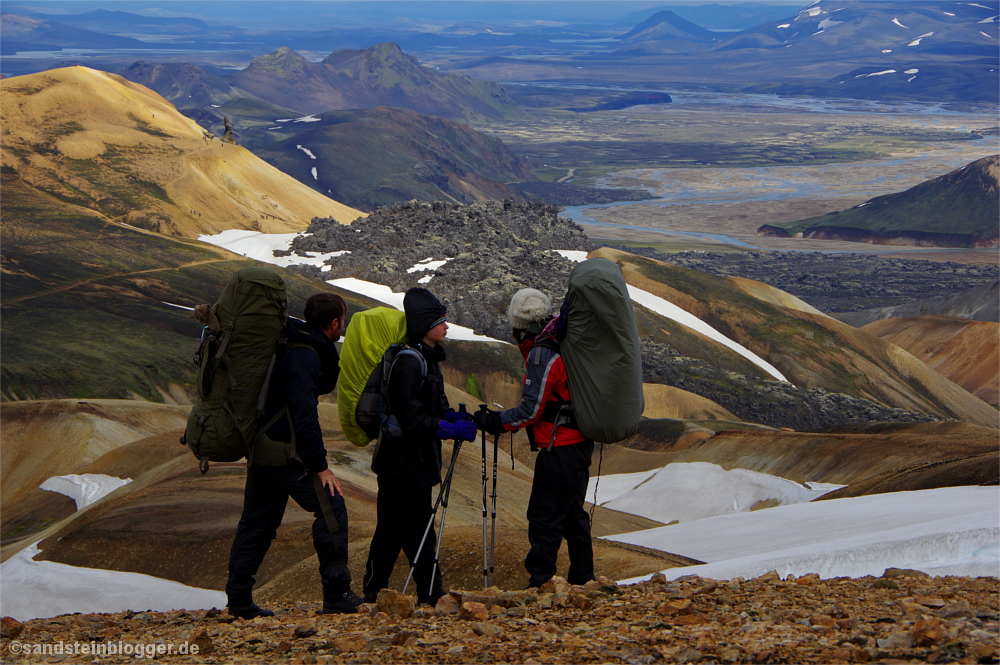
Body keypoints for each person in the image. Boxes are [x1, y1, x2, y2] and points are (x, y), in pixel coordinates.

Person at [226, 292, 362, 619]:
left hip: (262, 446)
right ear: (334, 323)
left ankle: (240, 600)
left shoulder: (292, 341)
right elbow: (303, 413)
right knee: (331, 505)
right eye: (342, 319)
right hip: (283, 451)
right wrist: (320, 466)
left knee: (257, 522)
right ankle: (337, 593)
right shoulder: (305, 355)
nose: (342, 324)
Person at [475, 288, 596, 589]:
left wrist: (495, 422)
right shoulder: (562, 338)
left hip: (560, 447)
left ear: (519, 324)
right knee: (572, 514)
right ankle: (583, 579)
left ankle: (541, 583)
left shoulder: (543, 352)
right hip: (579, 442)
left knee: (545, 517)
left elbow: (531, 410)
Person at [362, 288, 476, 605]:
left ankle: (427, 592)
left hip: (416, 463)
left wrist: (451, 417)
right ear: (425, 326)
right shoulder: (409, 364)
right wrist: (446, 427)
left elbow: (434, 408)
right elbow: (411, 419)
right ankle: (376, 592)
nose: (446, 326)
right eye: (440, 320)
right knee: (392, 529)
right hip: (400, 463)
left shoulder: (427, 360)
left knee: (416, 528)